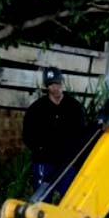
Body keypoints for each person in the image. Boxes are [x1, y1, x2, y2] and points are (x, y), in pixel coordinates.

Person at [22, 67, 87, 200]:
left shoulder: (73, 107)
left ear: (62, 83)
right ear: (47, 87)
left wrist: (75, 155)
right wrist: (40, 149)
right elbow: (28, 135)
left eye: (57, 84)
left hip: (67, 163)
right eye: (52, 84)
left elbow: (82, 134)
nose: (55, 88)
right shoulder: (36, 109)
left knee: (71, 198)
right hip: (44, 162)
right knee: (41, 200)